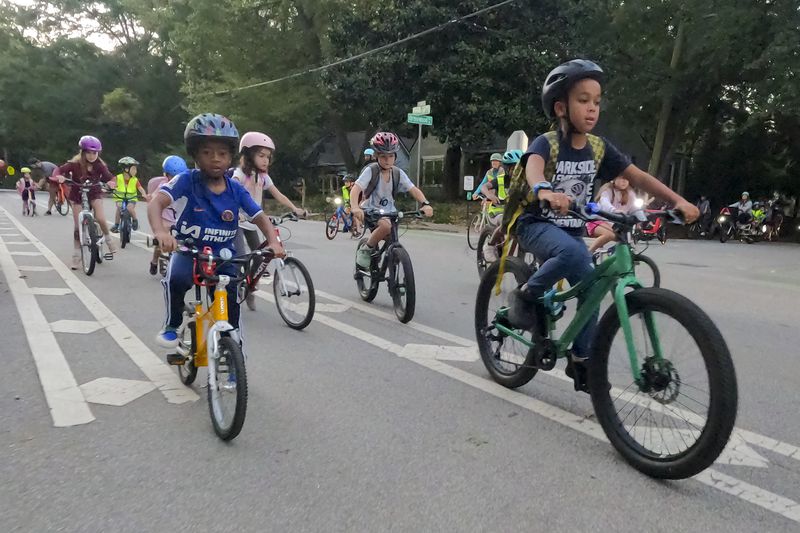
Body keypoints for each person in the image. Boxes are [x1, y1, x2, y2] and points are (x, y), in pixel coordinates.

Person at [505, 59, 698, 392]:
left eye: (597, 101)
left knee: (592, 284)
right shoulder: (546, 143)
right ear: (561, 107)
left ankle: (582, 360)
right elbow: (534, 169)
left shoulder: (598, 148)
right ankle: (525, 295)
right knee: (573, 255)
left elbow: (639, 177)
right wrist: (544, 190)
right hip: (534, 222)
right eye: (583, 100)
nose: (593, 108)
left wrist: (677, 200)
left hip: (570, 227)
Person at [148, 113, 284, 356]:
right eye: (206, 152)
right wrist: (161, 232)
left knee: (231, 305)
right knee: (176, 278)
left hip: (224, 257)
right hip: (189, 251)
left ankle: (233, 352)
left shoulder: (236, 189)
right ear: (195, 155)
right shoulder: (186, 181)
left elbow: (259, 216)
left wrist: (272, 241)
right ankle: (173, 323)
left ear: (231, 156)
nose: (215, 159)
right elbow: (156, 203)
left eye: (222, 153)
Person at [233, 131, 306, 311]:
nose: (266, 160)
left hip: (253, 221)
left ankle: (249, 287)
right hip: (236, 223)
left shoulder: (263, 177)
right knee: (241, 257)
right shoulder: (239, 175)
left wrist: (295, 209)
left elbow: (278, 194)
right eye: (261, 156)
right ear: (249, 156)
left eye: (268, 156)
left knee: (260, 256)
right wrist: (237, 213)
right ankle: (234, 286)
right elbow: (231, 194)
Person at [351, 131, 433, 268]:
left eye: (391, 156)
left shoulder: (397, 173)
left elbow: (413, 189)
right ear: (376, 156)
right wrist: (355, 207)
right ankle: (366, 249)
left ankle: (393, 279)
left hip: (390, 212)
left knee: (392, 241)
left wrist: (425, 203)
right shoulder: (371, 171)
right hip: (370, 210)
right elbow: (356, 189)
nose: (387, 160)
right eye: (383, 156)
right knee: (385, 226)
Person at [53, 135, 118, 270]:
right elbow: (59, 169)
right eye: (88, 152)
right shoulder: (74, 164)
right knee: (77, 227)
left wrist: (112, 182)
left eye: (94, 153)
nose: (91, 155)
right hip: (77, 195)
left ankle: (108, 239)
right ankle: (76, 256)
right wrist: (58, 176)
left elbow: (110, 177)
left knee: (100, 217)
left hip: (94, 193)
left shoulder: (99, 166)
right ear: (82, 152)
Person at [146, 155, 188, 275]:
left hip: (178, 219)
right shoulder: (164, 185)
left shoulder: (184, 185)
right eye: (171, 176)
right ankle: (154, 261)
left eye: (178, 176)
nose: (174, 179)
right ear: (166, 175)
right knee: (161, 241)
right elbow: (156, 197)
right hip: (165, 218)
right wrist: (152, 197)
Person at [586, 176, 638, 253]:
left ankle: (615, 253)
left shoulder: (631, 193)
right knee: (609, 234)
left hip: (616, 224)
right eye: (621, 178)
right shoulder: (608, 191)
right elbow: (605, 203)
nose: (624, 181)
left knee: (625, 239)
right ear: (614, 179)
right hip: (597, 221)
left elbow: (635, 208)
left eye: (626, 179)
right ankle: (588, 253)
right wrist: (614, 210)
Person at [111, 157, 148, 232]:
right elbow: (112, 185)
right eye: (133, 169)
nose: (135, 171)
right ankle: (116, 224)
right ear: (126, 169)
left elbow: (140, 188)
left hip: (132, 198)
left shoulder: (135, 180)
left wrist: (144, 194)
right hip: (120, 198)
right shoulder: (118, 178)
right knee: (119, 207)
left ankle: (135, 220)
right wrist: (110, 188)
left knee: (130, 208)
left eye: (135, 169)